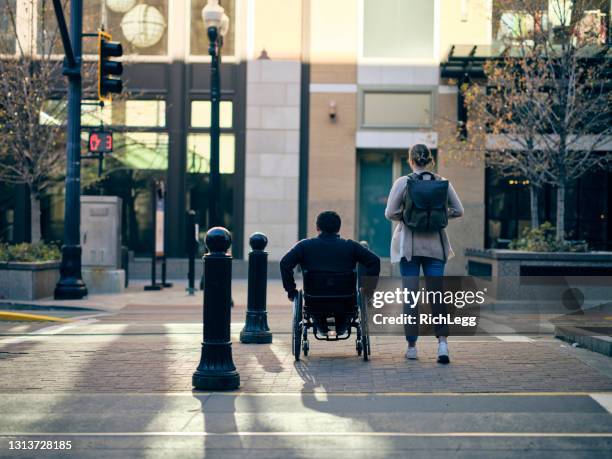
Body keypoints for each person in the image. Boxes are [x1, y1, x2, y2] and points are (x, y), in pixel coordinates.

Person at [384, 144, 464, 364]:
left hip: (409, 247)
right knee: (437, 295)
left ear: (410, 161)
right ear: (430, 160)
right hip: (436, 247)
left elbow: (390, 212)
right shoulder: (442, 182)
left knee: (411, 297)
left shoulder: (403, 182)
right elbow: (459, 210)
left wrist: (409, 215)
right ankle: (442, 345)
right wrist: (440, 215)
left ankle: (411, 347)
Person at [280, 211, 381, 336]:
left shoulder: (304, 246)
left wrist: (291, 291)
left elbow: (285, 263)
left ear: (317, 227)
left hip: (314, 302)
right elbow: (374, 261)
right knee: (344, 312)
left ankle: (323, 328)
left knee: (318, 310)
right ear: (338, 228)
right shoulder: (350, 246)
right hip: (346, 302)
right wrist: (368, 291)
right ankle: (339, 328)